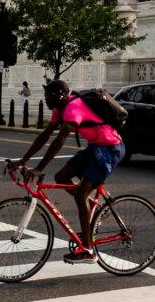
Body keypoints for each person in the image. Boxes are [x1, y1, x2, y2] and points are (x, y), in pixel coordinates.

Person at [12, 80, 125, 264]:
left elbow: (60, 140)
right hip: (96, 147)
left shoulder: (73, 108)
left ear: (60, 96)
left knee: (80, 193)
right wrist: (23, 161)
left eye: (49, 96)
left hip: (110, 149)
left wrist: (39, 168)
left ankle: (89, 251)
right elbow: (46, 135)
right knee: (61, 177)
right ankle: (93, 209)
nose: (46, 99)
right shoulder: (60, 110)